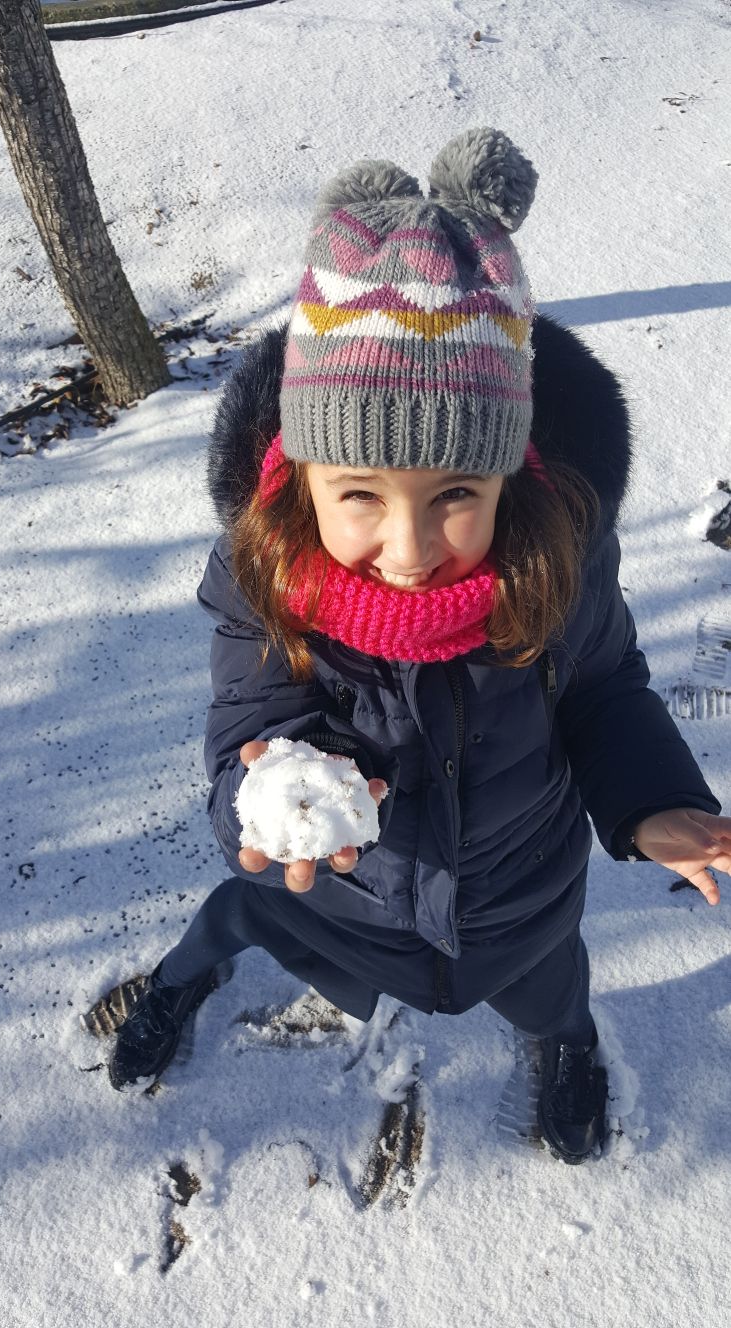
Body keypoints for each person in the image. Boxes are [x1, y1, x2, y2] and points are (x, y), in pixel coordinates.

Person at [107, 127, 729, 1163]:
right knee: (239, 917)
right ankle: (181, 978)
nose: (409, 548)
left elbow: (607, 687)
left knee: (551, 986)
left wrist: (651, 798)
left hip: (518, 895)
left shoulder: (552, 566)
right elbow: (252, 718)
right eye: (362, 496)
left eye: (455, 496)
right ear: (305, 480)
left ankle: (568, 1044)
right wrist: (255, 798)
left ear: (510, 480)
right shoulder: (270, 580)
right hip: (343, 900)